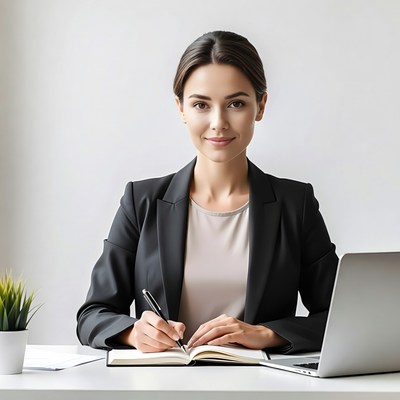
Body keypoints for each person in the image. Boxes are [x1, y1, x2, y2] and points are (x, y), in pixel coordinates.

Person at [76, 31, 338, 354]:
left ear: (261, 105)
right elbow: (92, 316)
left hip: (262, 387)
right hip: (163, 386)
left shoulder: (296, 206)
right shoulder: (140, 203)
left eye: (236, 103)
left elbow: (340, 318)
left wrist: (266, 335)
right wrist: (133, 333)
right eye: (201, 104)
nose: (218, 123)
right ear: (181, 108)